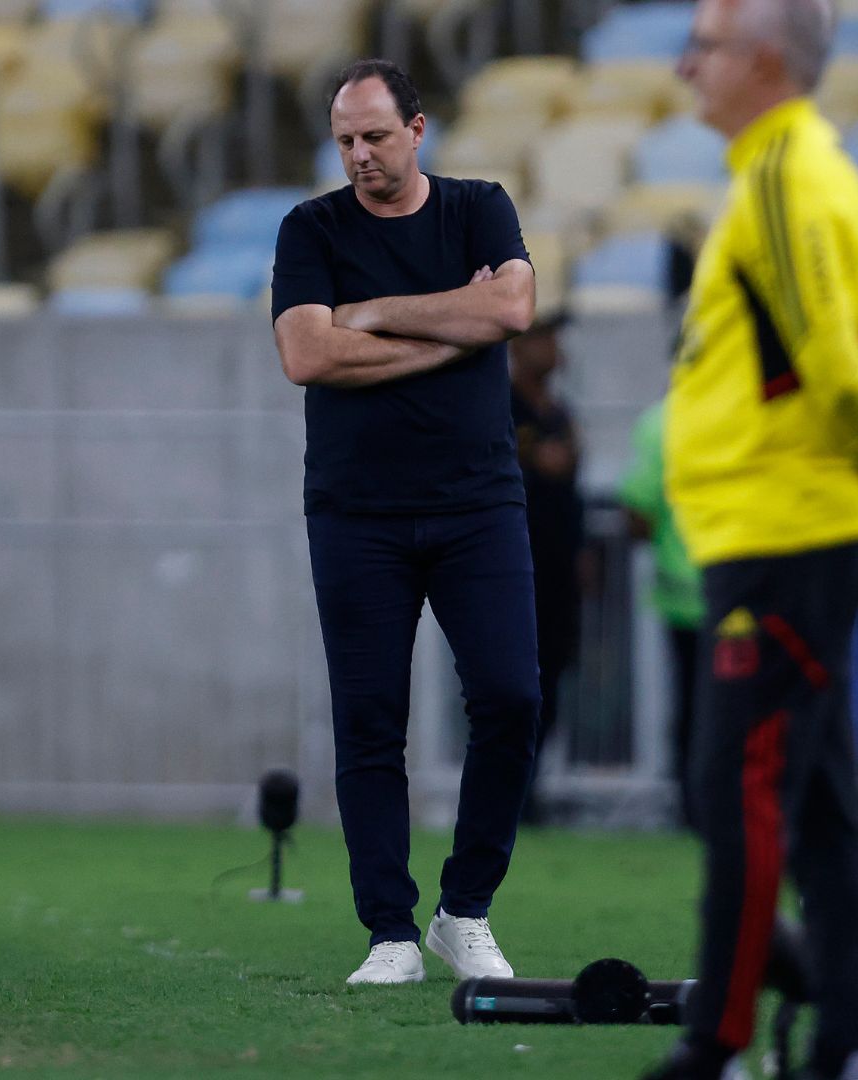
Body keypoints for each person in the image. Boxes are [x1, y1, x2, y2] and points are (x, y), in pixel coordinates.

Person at [641, 1, 858, 1076]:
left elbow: (831, 360)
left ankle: (718, 1043)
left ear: (765, 61)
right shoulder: (790, 173)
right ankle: (843, 1043)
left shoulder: (784, 177)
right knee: (813, 799)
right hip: (781, 530)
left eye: (707, 47)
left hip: (784, 533)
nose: (687, 68)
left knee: (737, 787)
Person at [270, 58, 539, 986]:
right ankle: (389, 931)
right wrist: (450, 332)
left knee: (511, 697)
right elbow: (307, 354)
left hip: (477, 503)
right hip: (357, 514)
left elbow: (512, 305)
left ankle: (463, 911)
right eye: (345, 141)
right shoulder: (310, 227)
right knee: (371, 723)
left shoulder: (478, 208)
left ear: (417, 130)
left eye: (376, 137)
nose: (359, 156)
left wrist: (377, 317)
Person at [619, 395, 707, 832]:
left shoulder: (661, 422)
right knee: (744, 711)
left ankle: (693, 807)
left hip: (683, 593)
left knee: (692, 705)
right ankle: (730, 809)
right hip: (746, 588)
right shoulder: (747, 411)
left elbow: (637, 511)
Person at [509, 315, 584, 822]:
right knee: (513, 681)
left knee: (552, 674)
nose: (555, 347)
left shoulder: (560, 413)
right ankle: (509, 789)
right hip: (513, 568)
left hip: (556, 571)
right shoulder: (501, 407)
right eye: (545, 336)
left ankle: (529, 789)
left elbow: (570, 490)